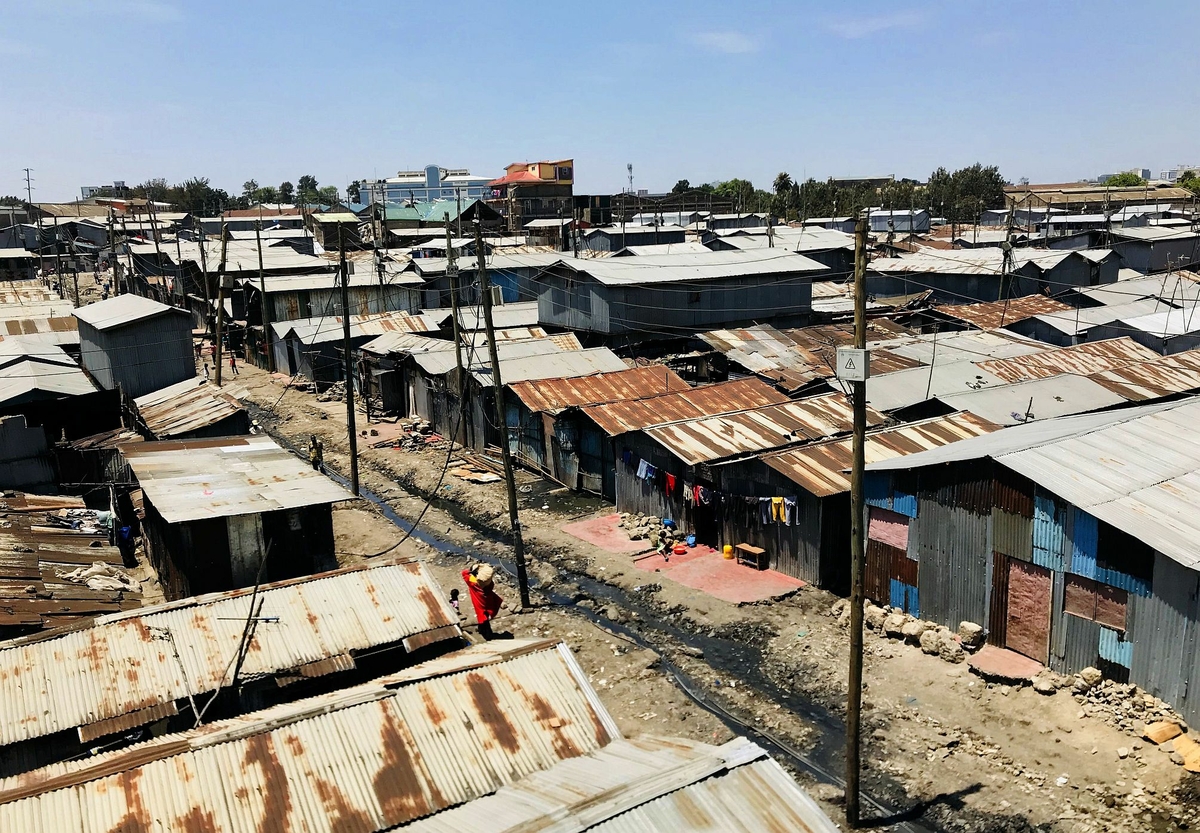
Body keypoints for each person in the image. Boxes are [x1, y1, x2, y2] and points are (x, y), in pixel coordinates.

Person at [461, 563, 503, 640]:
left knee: (483, 618)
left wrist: (472, 570)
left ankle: (487, 635)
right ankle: (481, 629)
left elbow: (464, 573)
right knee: (485, 616)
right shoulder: (489, 584)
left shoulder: (473, 582)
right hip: (488, 600)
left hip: (479, 602)